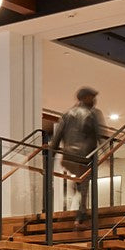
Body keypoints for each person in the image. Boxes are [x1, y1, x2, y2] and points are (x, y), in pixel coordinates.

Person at [49, 86, 107, 228]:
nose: (94, 101)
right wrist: (106, 152)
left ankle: (71, 209)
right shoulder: (93, 113)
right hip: (85, 156)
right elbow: (101, 135)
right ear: (85, 98)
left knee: (78, 181)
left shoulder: (67, 114)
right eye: (92, 97)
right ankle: (80, 217)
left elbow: (57, 138)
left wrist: (51, 154)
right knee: (85, 184)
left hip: (68, 156)